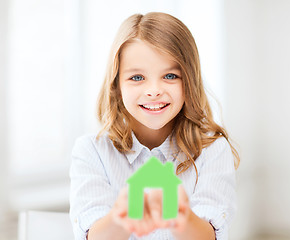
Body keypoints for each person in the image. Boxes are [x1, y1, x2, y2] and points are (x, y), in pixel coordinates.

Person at [69, 12, 240, 240]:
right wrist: (125, 214)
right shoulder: (92, 150)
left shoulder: (212, 150)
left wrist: (182, 216)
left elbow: (208, 235)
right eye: (137, 78)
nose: (153, 90)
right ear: (116, 84)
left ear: (189, 81)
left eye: (170, 75)